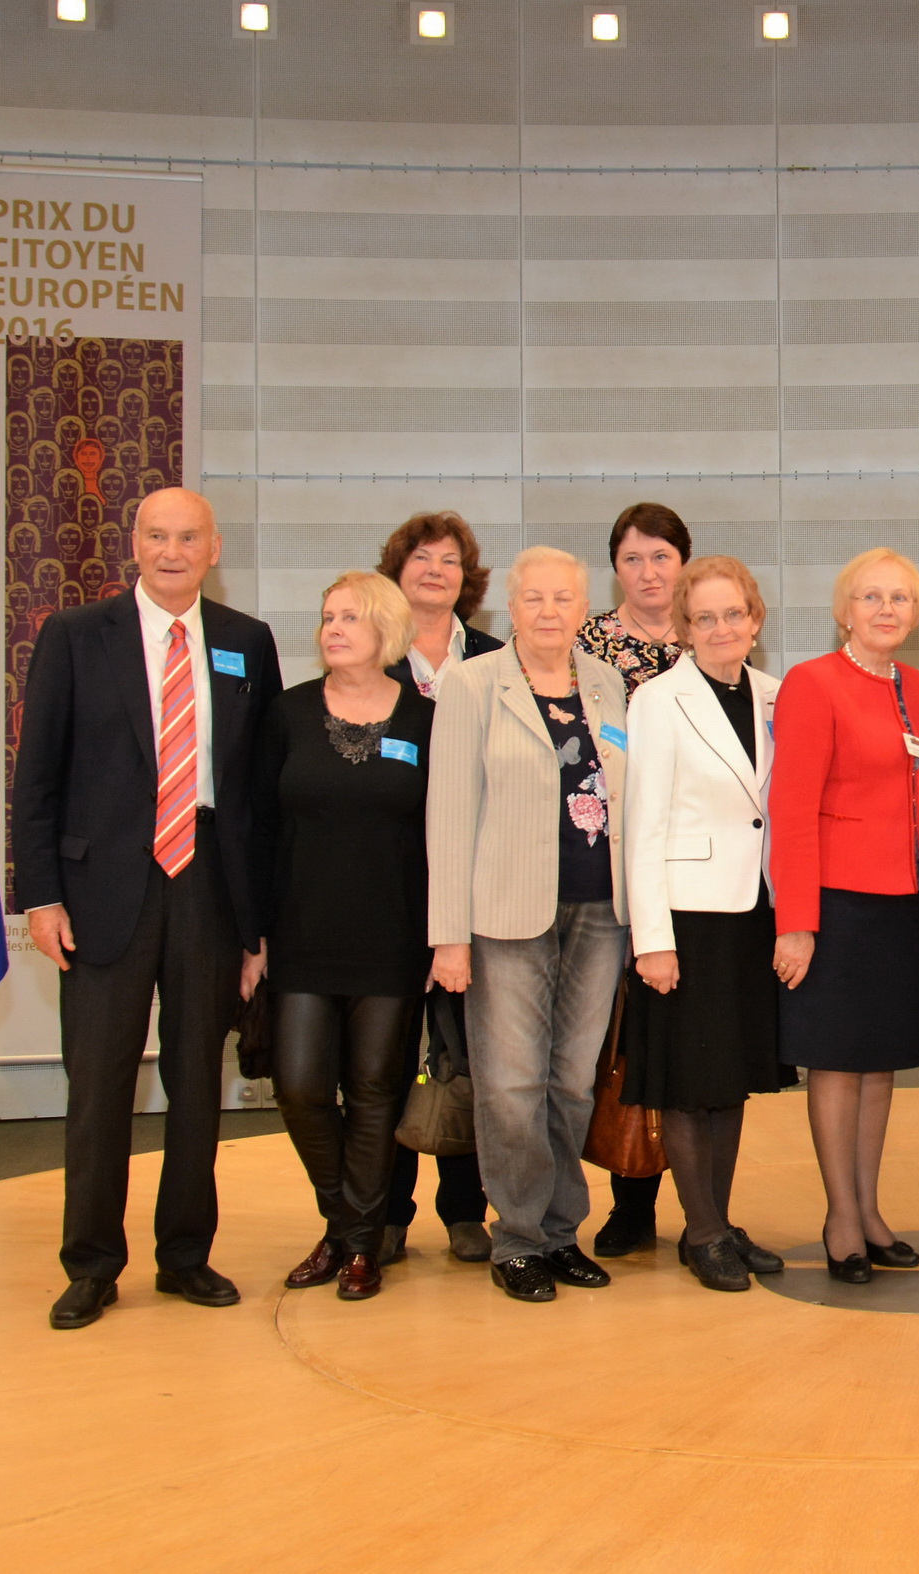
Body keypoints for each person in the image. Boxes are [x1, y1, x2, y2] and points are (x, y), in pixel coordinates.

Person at [12, 487, 283, 1330]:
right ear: (134, 543)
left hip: (209, 887)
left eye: (188, 537)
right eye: (157, 536)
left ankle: (185, 1255)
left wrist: (257, 926)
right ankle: (92, 1264)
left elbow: (260, 793)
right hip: (101, 891)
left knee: (198, 1083)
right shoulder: (74, 635)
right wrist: (41, 896)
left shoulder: (245, 641)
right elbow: (36, 776)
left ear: (214, 549)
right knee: (98, 1088)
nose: (172, 551)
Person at [426, 546, 630, 1304]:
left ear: (583, 608)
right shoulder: (472, 683)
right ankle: (516, 1238)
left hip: (600, 914)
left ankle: (559, 1233)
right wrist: (449, 935)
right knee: (512, 1085)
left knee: (571, 1084)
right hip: (506, 914)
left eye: (563, 598)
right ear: (509, 609)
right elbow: (449, 814)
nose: (549, 611)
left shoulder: (607, 683)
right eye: (534, 598)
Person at [770, 548, 919, 1284]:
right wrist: (796, 919)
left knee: (881, 1065)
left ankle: (871, 1211)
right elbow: (791, 809)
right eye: (871, 596)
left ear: (917, 613)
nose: (886, 609)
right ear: (844, 610)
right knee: (837, 1063)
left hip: (907, 906)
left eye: (900, 598)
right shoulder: (813, 683)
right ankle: (841, 1217)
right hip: (837, 905)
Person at [256, 572, 433, 1302]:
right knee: (299, 1087)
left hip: (394, 936)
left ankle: (357, 1246)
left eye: (350, 617)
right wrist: (252, 934)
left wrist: (447, 937)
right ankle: (350, 1224)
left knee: (373, 1091)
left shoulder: (426, 719)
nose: (333, 628)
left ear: (386, 629)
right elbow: (257, 826)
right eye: (328, 617)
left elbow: (445, 833)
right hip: (301, 933)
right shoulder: (288, 713)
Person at [623, 557, 794, 1292]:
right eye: (704, 618)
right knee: (690, 1083)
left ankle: (718, 1221)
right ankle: (701, 1233)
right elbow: (642, 824)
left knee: (730, 1080)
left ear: (756, 619)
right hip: (686, 917)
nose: (722, 628)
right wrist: (652, 940)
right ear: (684, 628)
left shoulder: (778, 695)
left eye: (734, 614)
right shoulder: (658, 700)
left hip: (754, 913)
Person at [378, 510, 501, 1266]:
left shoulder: (495, 659)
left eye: (449, 560)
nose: (434, 570)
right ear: (397, 572)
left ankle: (465, 1210)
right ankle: (389, 1213)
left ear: (467, 578)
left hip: (477, 887)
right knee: (390, 1056)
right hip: (390, 887)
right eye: (420, 557)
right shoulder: (371, 655)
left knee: (468, 1053)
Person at [577, 502, 692, 1258]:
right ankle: (631, 1203)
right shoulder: (589, 645)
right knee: (625, 1039)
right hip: (614, 858)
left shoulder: (707, 634)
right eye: (632, 558)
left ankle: (703, 1207)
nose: (648, 573)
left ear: (683, 561)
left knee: (690, 1038)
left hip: (700, 867)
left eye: (661, 557)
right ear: (614, 567)